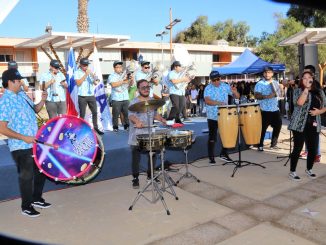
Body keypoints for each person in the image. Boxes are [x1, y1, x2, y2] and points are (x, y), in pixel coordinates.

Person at [0, 69, 50, 217]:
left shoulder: (22, 94)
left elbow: (35, 109)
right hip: (20, 146)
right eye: (18, 80)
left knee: (41, 171)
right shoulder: (4, 101)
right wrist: (23, 137)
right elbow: (2, 128)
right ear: (10, 82)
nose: (21, 82)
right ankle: (26, 207)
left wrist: (43, 100)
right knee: (27, 176)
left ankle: (36, 198)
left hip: (35, 142)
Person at [128, 79, 166, 188]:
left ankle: (151, 175)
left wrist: (162, 119)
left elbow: (155, 114)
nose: (146, 89)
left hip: (149, 132)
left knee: (153, 153)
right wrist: (137, 121)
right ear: (138, 89)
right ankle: (135, 178)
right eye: (143, 87)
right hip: (137, 133)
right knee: (136, 156)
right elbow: (131, 115)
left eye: (147, 87)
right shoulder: (134, 102)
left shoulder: (152, 101)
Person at [288, 71, 326, 181]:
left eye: (309, 78)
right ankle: (292, 171)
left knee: (313, 149)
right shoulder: (297, 91)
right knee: (298, 148)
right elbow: (299, 103)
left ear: (313, 79)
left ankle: (309, 169)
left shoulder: (319, 91)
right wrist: (306, 89)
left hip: (314, 124)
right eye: (304, 78)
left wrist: (319, 112)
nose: (306, 79)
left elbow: (325, 106)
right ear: (301, 80)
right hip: (299, 124)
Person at [204, 71, 240, 164]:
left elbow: (237, 97)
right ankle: (211, 157)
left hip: (225, 116)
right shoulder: (208, 88)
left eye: (218, 79)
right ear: (211, 80)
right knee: (212, 136)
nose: (216, 81)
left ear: (220, 78)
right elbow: (207, 101)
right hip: (212, 116)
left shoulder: (225, 86)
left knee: (227, 134)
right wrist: (219, 103)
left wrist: (235, 92)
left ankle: (224, 153)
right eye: (214, 80)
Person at [254, 66, 282, 151]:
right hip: (264, 110)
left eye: (269, 72)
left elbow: (280, 94)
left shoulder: (276, 82)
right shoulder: (259, 83)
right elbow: (256, 95)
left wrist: (282, 88)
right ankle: (260, 145)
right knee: (262, 128)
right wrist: (267, 96)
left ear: (272, 73)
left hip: (275, 109)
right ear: (263, 74)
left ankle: (273, 144)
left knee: (278, 126)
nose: (267, 74)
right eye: (265, 72)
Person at [74, 58, 103, 135]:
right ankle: (81, 130)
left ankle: (96, 128)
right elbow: (78, 83)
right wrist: (86, 74)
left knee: (95, 112)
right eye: (84, 65)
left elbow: (95, 82)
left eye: (87, 65)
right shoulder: (77, 72)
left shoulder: (89, 72)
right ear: (80, 65)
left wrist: (94, 78)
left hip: (91, 95)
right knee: (82, 114)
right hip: (82, 96)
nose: (86, 67)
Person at [299, 65, 322, 162]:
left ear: (312, 75)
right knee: (306, 135)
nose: (306, 77)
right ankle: (308, 151)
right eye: (304, 75)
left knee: (315, 136)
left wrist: (319, 111)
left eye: (308, 75)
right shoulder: (303, 85)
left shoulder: (316, 85)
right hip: (305, 116)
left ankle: (317, 154)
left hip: (313, 116)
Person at [108, 61, 130, 132]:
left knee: (127, 113)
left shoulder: (125, 75)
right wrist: (123, 81)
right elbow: (113, 85)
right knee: (116, 114)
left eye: (121, 67)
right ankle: (115, 127)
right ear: (114, 68)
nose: (120, 69)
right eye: (118, 67)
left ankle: (127, 126)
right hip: (116, 98)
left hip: (125, 97)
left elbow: (129, 85)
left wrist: (131, 79)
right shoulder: (111, 76)